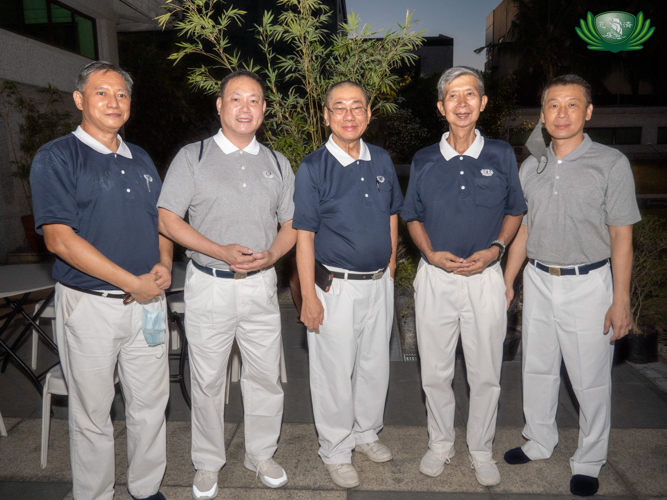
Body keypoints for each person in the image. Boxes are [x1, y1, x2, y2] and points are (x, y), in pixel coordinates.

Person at [30, 61, 171, 500]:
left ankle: (146, 489)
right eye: (102, 93)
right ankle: (95, 495)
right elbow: (59, 239)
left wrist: (164, 263)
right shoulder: (56, 157)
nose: (114, 102)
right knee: (92, 412)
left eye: (122, 94)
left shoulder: (142, 158)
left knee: (150, 406)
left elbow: (162, 223)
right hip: (90, 306)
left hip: (147, 303)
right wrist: (132, 281)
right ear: (80, 100)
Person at [157, 70, 295, 498]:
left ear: (264, 110)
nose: (245, 108)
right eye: (236, 99)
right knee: (208, 379)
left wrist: (272, 255)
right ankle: (207, 462)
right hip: (209, 284)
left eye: (254, 100)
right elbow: (167, 219)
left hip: (260, 285)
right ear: (219, 106)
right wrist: (219, 250)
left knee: (264, 377)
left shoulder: (276, 161)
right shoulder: (193, 157)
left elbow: (291, 225)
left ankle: (261, 454)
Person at [503, 74, 641, 497]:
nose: (562, 114)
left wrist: (620, 300)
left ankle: (590, 458)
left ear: (589, 112)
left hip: (589, 282)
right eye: (553, 106)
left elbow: (621, 235)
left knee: (590, 378)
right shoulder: (532, 165)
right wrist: (509, 281)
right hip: (540, 279)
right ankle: (540, 440)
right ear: (542, 116)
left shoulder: (611, 163)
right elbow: (523, 230)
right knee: (538, 367)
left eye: (572, 105)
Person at [401, 66, 526, 486]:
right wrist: (431, 254)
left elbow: (515, 210)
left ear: (482, 103)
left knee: (486, 372)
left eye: (469, 94)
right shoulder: (424, 159)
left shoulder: (502, 154)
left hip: (485, 279)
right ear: (441, 107)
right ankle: (440, 444)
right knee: (435, 372)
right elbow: (412, 216)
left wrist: (496, 250)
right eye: (452, 96)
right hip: (435, 278)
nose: (461, 103)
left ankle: (480, 449)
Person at [293, 81, 404, 488]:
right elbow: (303, 235)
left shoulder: (383, 160)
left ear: (369, 113)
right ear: (326, 115)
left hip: (379, 284)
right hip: (334, 287)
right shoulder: (313, 167)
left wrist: (390, 262)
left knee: (375, 365)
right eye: (339, 108)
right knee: (334, 373)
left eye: (357, 107)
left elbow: (393, 211)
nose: (349, 115)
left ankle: (366, 432)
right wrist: (309, 296)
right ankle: (336, 449)